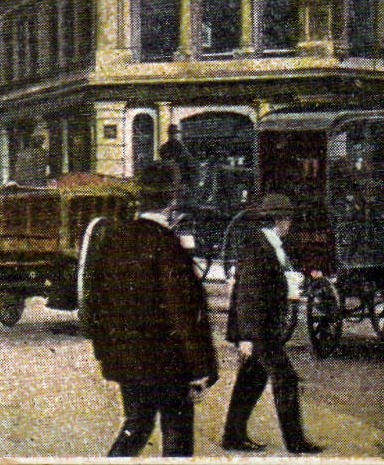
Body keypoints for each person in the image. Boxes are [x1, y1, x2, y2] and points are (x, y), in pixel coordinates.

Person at [78, 162, 218, 458]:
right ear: (173, 200)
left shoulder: (113, 237)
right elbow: (183, 314)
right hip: (169, 364)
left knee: (137, 425)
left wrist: (108, 351)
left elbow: (92, 303)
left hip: (127, 361)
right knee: (177, 436)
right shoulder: (167, 245)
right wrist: (200, 368)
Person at [221, 193, 324, 454]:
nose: (290, 225)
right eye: (288, 219)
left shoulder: (271, 244)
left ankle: (232, 436)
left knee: (251, 380)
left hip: (264, 327)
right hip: (259, 330)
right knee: (286, 379)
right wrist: (246, 337)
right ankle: (296, 443)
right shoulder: (258, 247)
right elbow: (247, 294)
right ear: (281, 219)